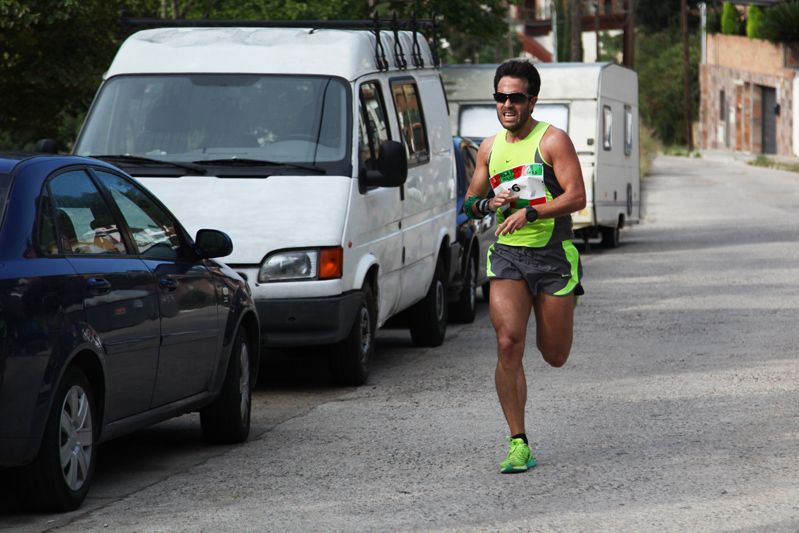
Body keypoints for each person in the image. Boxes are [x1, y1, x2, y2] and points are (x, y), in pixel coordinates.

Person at [463, 59, 586, 474]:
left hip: (552, 255)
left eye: (516, 97)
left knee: (554, 355)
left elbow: (576, 197)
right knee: (506, 343)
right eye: (501, 97)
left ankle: (560, 306)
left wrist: (532, 213)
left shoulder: (553, 141)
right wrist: (488, 204)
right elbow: (469, 202)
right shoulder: (488, 148)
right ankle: (519, 442)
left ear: (532, 99)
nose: (507, 104)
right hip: (509, 256)